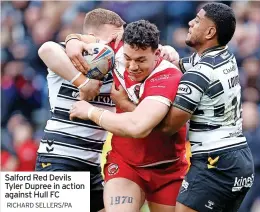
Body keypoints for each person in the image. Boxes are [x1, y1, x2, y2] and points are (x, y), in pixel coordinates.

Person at [69, 20, 188, 212]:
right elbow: (49, 49)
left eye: (141, 60)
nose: (132, 66)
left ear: (157, 54)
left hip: (167, 169)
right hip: (126, 164)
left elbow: (137, 127)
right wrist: (72, 41)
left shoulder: (168, 76)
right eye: (128, 58)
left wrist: (91, 111)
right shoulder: (116, 53)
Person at [157, 2, 255, 212]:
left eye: (198, 20)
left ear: (211, 31)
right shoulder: (225, 55)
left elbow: (168, 127)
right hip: (240, 158)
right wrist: (167, 53)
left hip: (215, 161)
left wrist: (129, 106)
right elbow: (182, 65)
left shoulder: (200, 73)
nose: (190, 23)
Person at [37, 8, 126, 212]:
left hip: (92, 165)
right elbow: (46, 49)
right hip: (58, 160)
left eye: (119, 40)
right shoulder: (72, 59)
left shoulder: (119, 69)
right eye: (112, 40)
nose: (116, 47)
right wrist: (82, 82)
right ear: (90, 39)